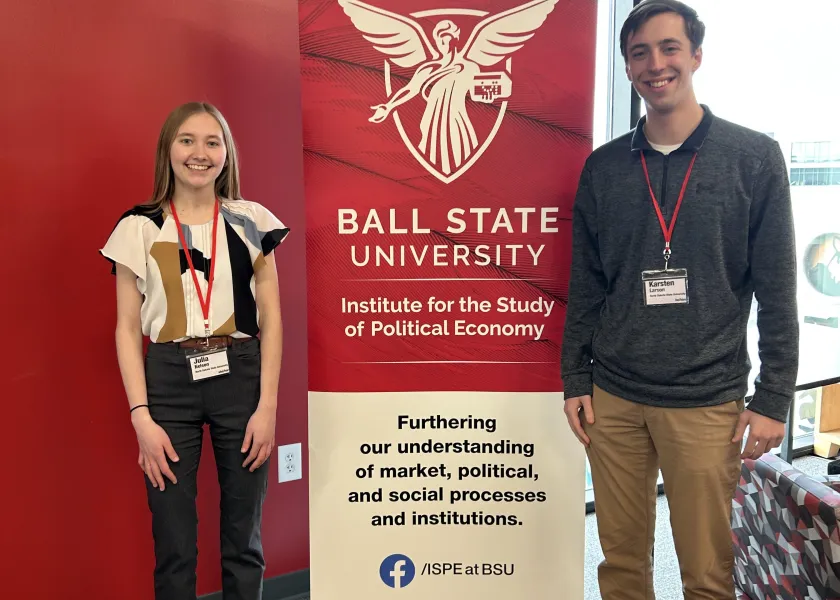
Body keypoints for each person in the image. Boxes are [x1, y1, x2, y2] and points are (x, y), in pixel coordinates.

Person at [560, 1, 798, 598]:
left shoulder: (753, 159)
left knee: (707, 573)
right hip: (613, 398)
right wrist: (575, 378)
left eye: (669, 48)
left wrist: (773, 398)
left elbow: (777, 288)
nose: (655, 64)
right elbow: (587, 281)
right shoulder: (604, 168)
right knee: (621, 568)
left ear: (696, 55)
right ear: (627, 67)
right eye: (639, 53)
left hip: (706, 398)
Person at [100, 102, 290, 600]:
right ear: (168, 149)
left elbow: (271, 319)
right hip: (167, 380)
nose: (199, 153)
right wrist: (141, 416)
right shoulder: (137, 226)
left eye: (212, 142)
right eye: (187, 140)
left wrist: (267, 408)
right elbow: (125, 328)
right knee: (174, 542)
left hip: (241, 376)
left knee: (243, 538)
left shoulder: (252, 221)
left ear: (226, 154)